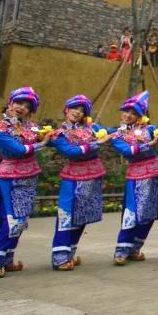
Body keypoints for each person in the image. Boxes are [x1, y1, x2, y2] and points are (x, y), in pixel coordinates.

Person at [0, 87, 50, 277]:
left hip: (30, 177)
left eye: (27, 106)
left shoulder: (30, 127)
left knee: (20, 220)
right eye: (19, 103)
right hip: (11, 178)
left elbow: (37, 139)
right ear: (10, 103)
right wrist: (42, 143)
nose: (22, 108)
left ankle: (6, 259)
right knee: (14, 220)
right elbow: (17, 150)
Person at [48, 95, 108, 271]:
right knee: (66, 214)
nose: (78, 112)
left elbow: (111, 132)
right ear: (66, 109)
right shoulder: (59, 134)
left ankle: (69, 254)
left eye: (82, 111)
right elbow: (70, 151)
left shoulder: (93, 128)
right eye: (75, 108)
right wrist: (94, 144)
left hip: (93, 177)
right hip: (73, 178)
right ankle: (59, 257)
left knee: (83, 215)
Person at [107, 91, 158, 265]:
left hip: (155, 174)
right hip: (135, 176)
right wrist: (150, 144)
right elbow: (126, 151)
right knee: (131, 212)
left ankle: (135, 249)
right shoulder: (116, 134)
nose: (128, 115)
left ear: (141, 116)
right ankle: (121, 250)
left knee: (149, 212)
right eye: (126, 111)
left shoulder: (150, 129)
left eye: (134, 113)